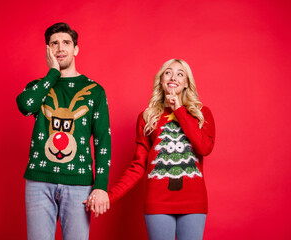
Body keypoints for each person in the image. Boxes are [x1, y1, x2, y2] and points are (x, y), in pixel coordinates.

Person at [86, 59, 215, 239]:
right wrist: (110, 196)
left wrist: (178, 109)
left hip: (194, 203)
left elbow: (204, 148)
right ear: (161, 80)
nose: (173, 77)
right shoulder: (147, 117)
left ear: (186, 83)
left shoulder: (202, 113)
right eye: (168, 72)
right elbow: (138, 166)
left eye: (180, 74)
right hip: (158, 203)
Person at [16, 22, 111, 240]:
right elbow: (25, 106)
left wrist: (101, 186)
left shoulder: (95, 91)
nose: (60, 48)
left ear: (75, 49)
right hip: (39, 182)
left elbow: (103, 140)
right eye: (54, 44)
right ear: (48, 50)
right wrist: (52, 74)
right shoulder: (39, 86)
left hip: (79, 183)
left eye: (66, 43)